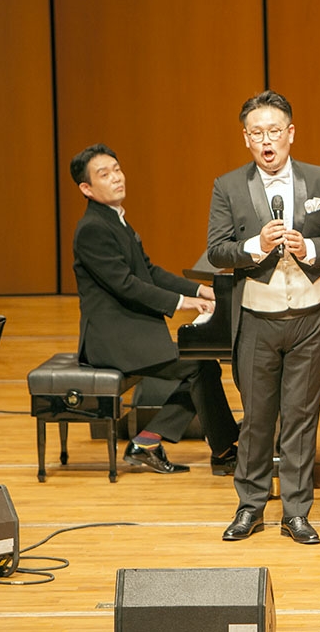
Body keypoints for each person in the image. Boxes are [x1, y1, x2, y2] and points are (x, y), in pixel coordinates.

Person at [208, 90, 320, 544]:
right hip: (258, 315)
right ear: (246, 140)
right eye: (258, 134)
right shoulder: (228, 186)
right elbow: (217, 250)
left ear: (291, 134)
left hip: (312, 314)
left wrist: (310, 248)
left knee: (300, 415)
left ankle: (296, 511)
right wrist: (254, 247)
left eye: (275, 131)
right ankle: (250, 506)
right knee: (257, 417)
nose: (267, 141)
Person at [71, 144, 240, 476]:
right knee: (199, 366)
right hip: (113, 339)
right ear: (86, 189)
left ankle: (154, 441)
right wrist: (184, 304)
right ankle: (220, 450)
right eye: (104, 174)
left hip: (129, 331)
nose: (116, 178)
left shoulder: (114, 220)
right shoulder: (92, 228)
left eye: (117, 169)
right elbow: (125, 284)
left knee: (201, 365)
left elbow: (149, 271)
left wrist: (200, 289)